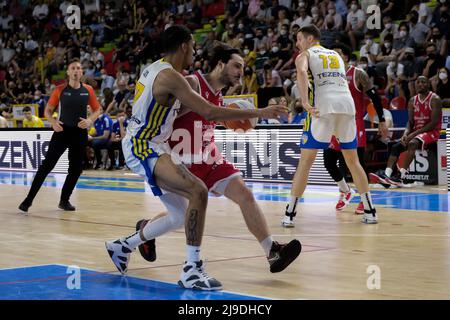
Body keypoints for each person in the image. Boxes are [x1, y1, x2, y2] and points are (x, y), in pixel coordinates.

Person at [105, 26, 287, 291]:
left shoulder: (155, 68)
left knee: (180, 215)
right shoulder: (173, 77)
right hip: (143, 145)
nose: (194, 51)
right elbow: (209, 113)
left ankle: (122, 246)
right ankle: (191, 269)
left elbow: (184, 111)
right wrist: (261, 112)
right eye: (192, 45)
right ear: (183, 47)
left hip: (152, 143)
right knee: (198, 192)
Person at [135, 41, 301, 275]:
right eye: (236, 66)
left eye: (242, 68)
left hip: (208, 155)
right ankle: (147, 230)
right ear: (220, 64)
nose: (240, 72)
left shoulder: (219, 94)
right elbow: (183, 115)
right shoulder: (192, 82)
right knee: (179, 216)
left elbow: (209, 116)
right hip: (181, 158)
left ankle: (272, 251)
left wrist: (228, 120)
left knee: (245, 194)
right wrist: (253, 112)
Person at [282, 25, 378, 227]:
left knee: (305, 163)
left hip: (323, 108)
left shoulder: (305, 55)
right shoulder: (335, 55)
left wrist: (305, 103)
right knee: (353, 162)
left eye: (299, 39)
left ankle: (289, 214)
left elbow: (301, 73)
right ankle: (370, 211)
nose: (297, 44)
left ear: (309, 39)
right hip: (347, 107)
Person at [19, 58, 101, 213]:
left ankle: (64, 200)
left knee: (76, 170)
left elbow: (98, 109)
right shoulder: (60, 90)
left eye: (78, 68)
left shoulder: (88, 90)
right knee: (46, 166)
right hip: (62, 131)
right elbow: (48, 110)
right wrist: (53, 122)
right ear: (68, 72)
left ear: (81, 72)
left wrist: (90, 120)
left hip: (79, 133)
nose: (76, 70)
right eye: (73, 68)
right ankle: (28, 200)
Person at [322, 44, 387, 214]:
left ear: (344, 56)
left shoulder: (358, 74)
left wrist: (382, 120)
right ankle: (345, 190)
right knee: (328, 161)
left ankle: (364, 199)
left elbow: (375, 97)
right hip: (335, 121)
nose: (332, 57)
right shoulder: (328, 75)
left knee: (356, 163)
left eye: (336, 54)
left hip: (354, 121)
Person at [370, 76, 442, 187]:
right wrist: (405, 134)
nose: (420, 84)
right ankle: (386, 176)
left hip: (432, 132)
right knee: (396, 146)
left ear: (428, 84)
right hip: (417, 133)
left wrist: (413, 134)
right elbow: (410, 122)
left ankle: (401, 176)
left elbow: (433, 123)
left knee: (412, 143)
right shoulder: (412, 100)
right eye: (418, 82)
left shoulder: (435, 99)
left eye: (424, 82)